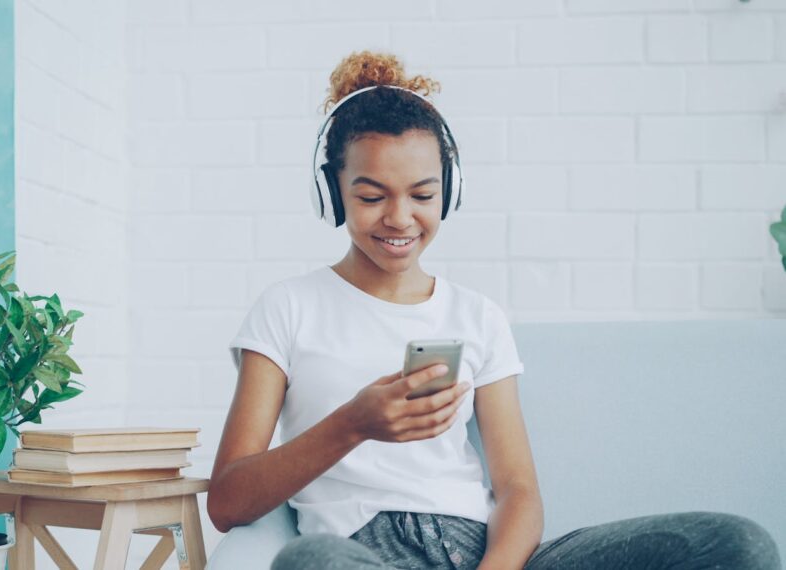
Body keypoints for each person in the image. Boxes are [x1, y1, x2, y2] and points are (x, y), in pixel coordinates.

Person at [206, 51, 781, 570]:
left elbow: (519, 491)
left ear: (449, 192)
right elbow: (229, 502)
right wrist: (353, 425)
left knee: (737, 544)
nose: (400, 218)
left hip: (488, 552)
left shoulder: (477, 315)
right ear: (332, 191)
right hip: (362, 553)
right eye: (372, 196)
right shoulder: (287, 308)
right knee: (312, 561)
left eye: (423, 195)